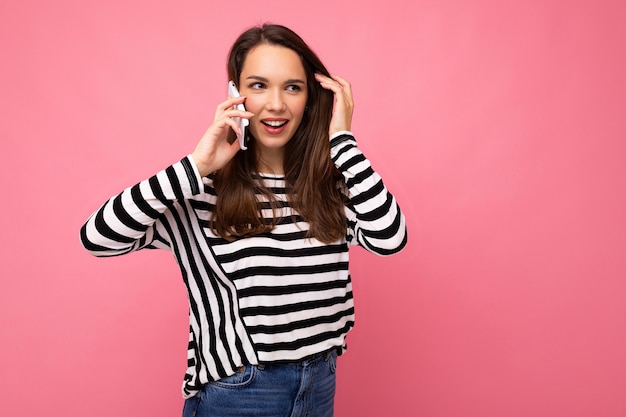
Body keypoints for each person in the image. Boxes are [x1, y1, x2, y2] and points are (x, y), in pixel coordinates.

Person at [80, 23, 407, 417]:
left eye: (292, 87)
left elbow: (390, 238)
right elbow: (97, 237)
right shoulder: (201, 190)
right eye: (258, 85)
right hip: (240, 392)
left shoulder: (329, 186)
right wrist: (197, 164)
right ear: (235, 95)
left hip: (320, 383)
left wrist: (342, 141)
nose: (275, 104)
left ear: (311, 97)